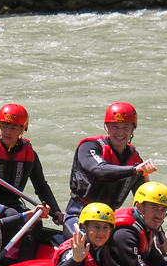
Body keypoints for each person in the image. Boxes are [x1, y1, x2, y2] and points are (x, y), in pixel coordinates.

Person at [0, 103, 63, 261]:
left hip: (12, 202)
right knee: (14, 215)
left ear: (23, 129)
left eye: (13, 127)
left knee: (35, 222)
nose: (7, 132)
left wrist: (56, 211)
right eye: (4, 126)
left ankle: (26, 265)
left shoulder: (29, 154)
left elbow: (41, 186)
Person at [63, 101, 156, 238]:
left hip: (107, 222)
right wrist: (134, 170)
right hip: (79, 215)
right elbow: (99, 170)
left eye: (125, 127)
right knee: (86, 244)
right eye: (115, 127)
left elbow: (146, 204)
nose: (120, 132)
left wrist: (159, 234)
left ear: (133, 129)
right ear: (106, 127)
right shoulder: (89, 147)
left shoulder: (135, 159)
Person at [49, 203, 146, 266]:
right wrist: (75, 260)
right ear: (85, 227)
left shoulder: (100, 248)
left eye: (106, 227)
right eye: (96, 226)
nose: (101, 232)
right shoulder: (74, 249)